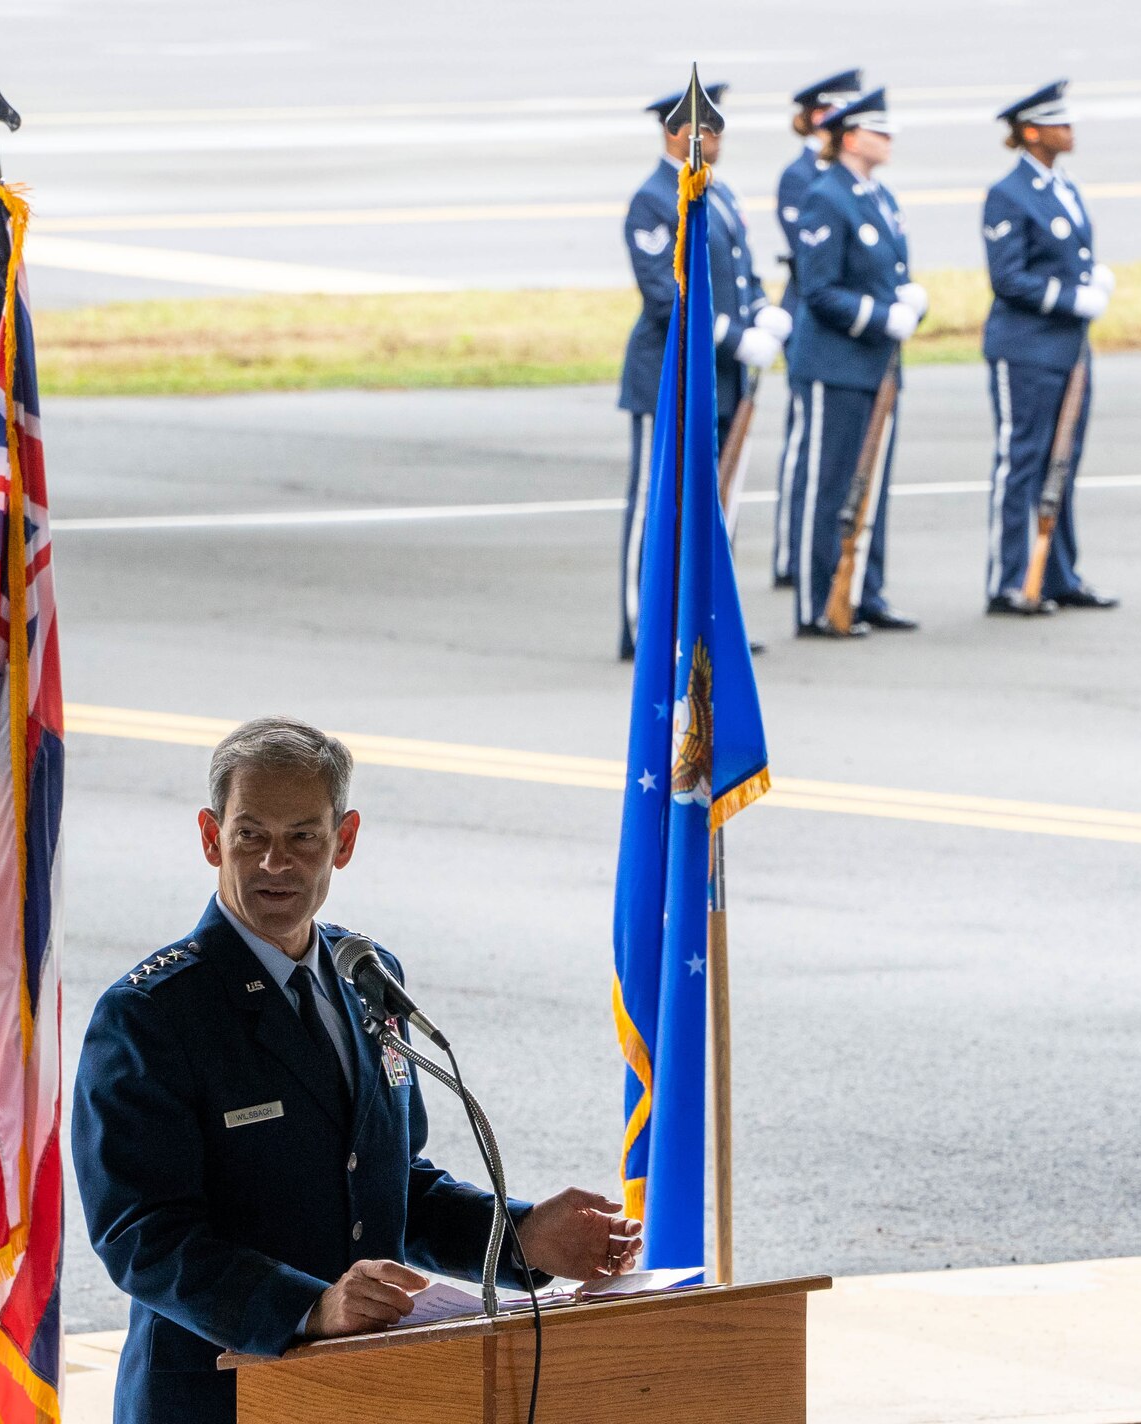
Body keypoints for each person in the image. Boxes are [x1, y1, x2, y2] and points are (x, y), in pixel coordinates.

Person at [73, 717, 641, 1424]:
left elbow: (392, 1181)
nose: (275, 862)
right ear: (210, 837)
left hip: (365, 1393)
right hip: (219, 1398)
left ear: (343, 842)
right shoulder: (152, 1014)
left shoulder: (368, 976)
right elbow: (142, 1237)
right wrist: (309, 1307)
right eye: (251, 834)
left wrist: (520, 1237)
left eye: (303, 836)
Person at [618, 81, 791, 657]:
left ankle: (709, 623)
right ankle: (646, 626)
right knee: (658, 504)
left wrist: (764, 314)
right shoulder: (653, 198)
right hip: (668, 377)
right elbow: (666, 297)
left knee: (718, 501)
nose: (716, 136)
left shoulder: (718, 193)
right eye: (705, 127)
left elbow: (740, 272)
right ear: (675, 132)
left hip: (720, 376)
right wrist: (736, 337)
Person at [782, 87, 925, 637]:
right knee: (830, 486)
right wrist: (879, 315)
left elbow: (888, 273)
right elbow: (818, 288)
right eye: (877, 131)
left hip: (876, 364)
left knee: (872, 483)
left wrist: (911, 299)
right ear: (849, 137)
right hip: (835, 362)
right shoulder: (826, 196)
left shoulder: (879, 197)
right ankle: (819, 602)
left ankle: (865, 589)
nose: (887, 140)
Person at [980, 79, 1120, 616]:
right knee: (1022, 462)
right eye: (1059, 124)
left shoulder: (1065, 188)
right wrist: (1072, 297)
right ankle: (1009, 577)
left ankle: (1058, 573)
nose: (1070, 131)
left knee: (1063, 462)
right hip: (1025, 348)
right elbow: (1009, 278)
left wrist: (1090, 283)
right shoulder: (1008, 194)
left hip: (1067, 349)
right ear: (1031, 132)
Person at [772, 68, 865, 588]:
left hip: (845, 309)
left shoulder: (853, 175)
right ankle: (792, 552)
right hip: (811, 306)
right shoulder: (800, 175)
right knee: (805, 440)